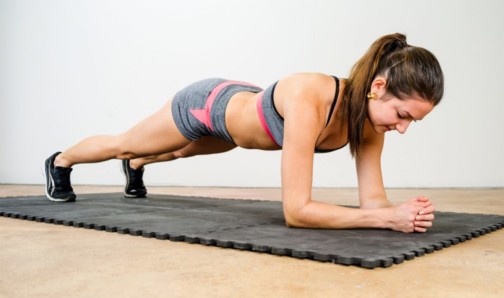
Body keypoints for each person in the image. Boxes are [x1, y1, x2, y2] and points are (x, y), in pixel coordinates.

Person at [44, 33, 444, 233]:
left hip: (236, 126)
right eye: (403, 114)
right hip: (207, 104)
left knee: (179, 152)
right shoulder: (312, 98)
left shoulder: (371, 120)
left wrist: (398, 213)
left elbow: (372, 200)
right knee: (123, 143)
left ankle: (139, 165)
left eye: (413, 122)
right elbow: (297, 211)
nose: (402, 128)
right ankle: (61, 162)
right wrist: (384, 220)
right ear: (377, 87)